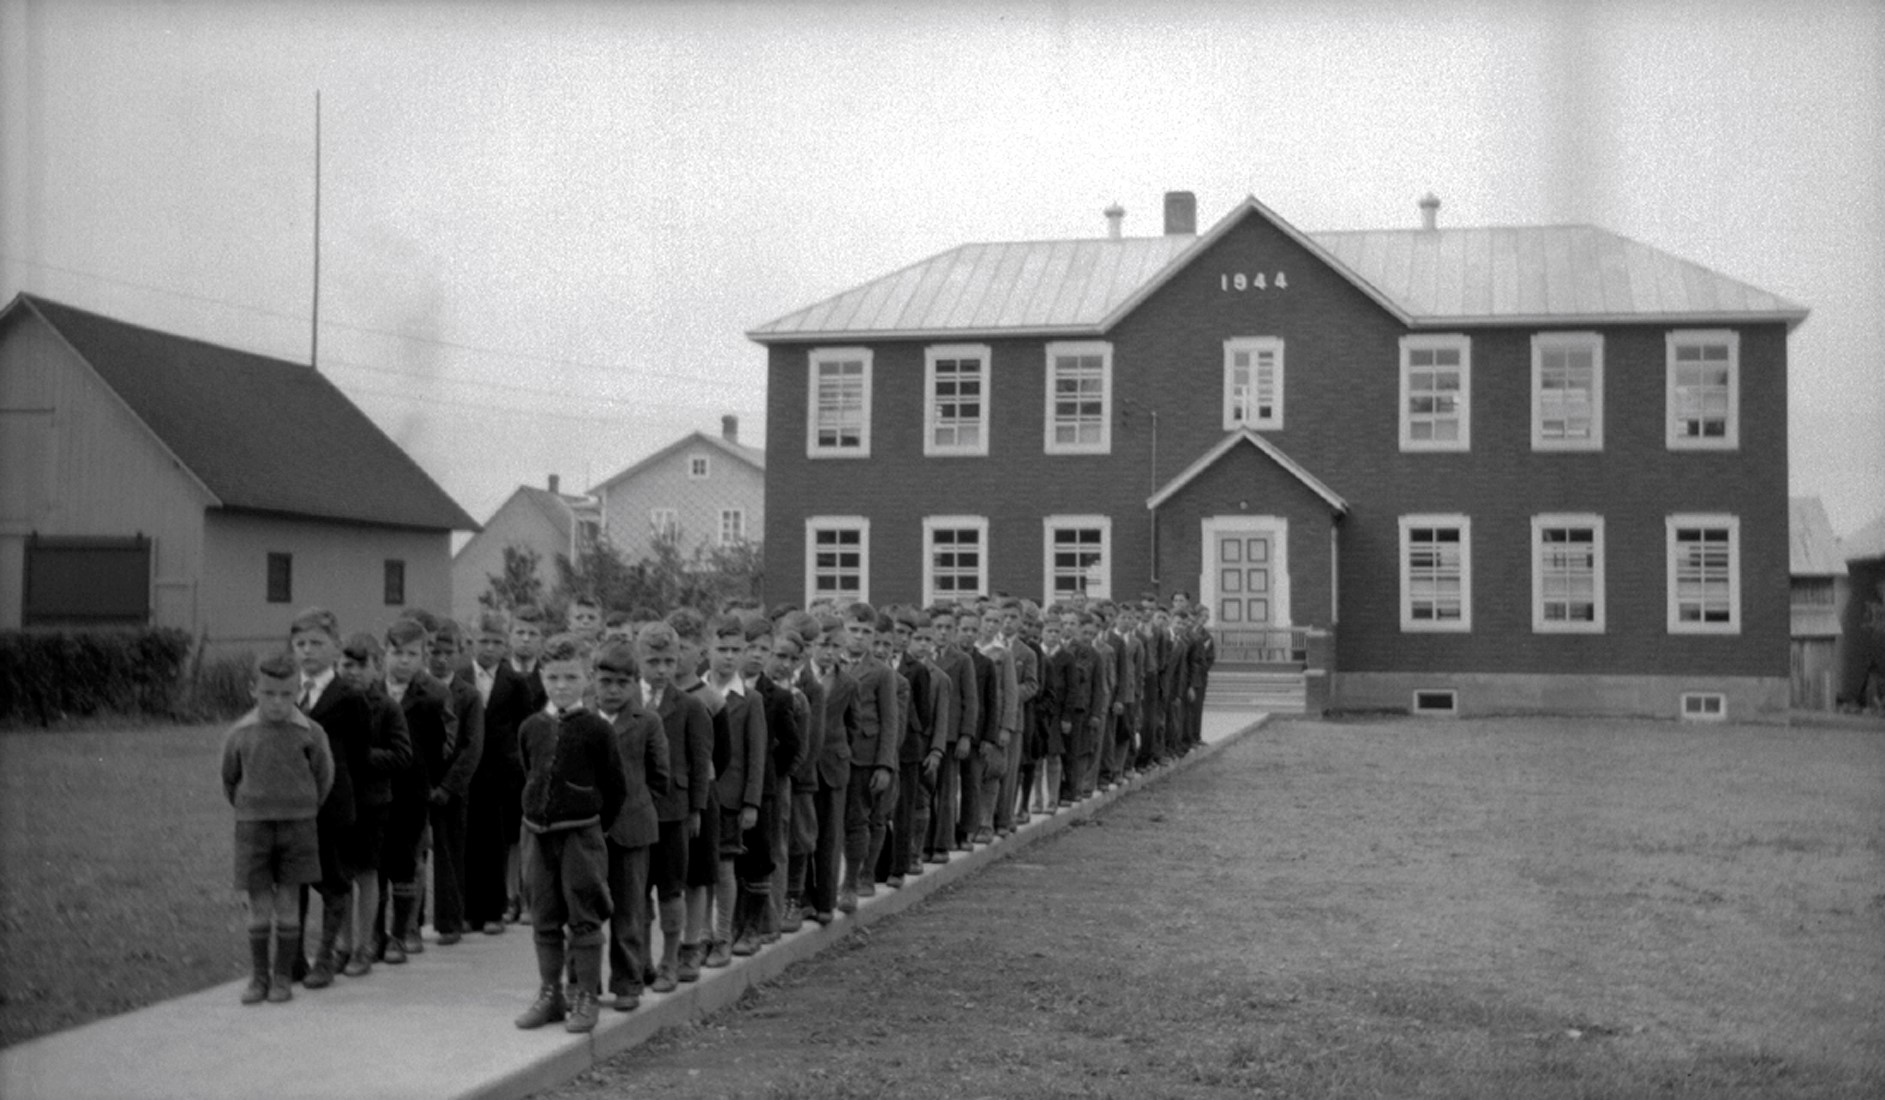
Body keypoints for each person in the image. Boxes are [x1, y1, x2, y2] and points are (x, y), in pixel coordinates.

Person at [513, 634, 626, 1035]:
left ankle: (585, 994)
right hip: (537, 836)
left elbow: (615, 788)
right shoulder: (531, 727)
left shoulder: (597, 729)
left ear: (588, 679)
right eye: (554, 677)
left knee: (584, 915)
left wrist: (591, 826)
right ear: (543, 677)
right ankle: (550, 993)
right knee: (543, 915)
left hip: (581, 837)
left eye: (571, 677)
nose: (561, 686)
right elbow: (529, 773)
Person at [223, 652, 334, 1004]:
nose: (278, 702)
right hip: (253, 827)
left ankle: (283, 977)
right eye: (269, 694)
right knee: (259, 904)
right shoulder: (240, 733)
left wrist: (302, 807)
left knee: (288, 900)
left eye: (287, 694)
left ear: (298, 691)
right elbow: (230, 779)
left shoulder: (310, 732)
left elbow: (324, 777)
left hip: (298, 827)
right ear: (253, 690)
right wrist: (252, 807)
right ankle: (259, 977)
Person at [289, 607, 376, 990]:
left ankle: (326, 956)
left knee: (333, 881)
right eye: (300, 644)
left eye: (317, 644)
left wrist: (350, 804)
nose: (308, 651)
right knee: (294, 879)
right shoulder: (284, 692)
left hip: (333, 805)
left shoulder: (349, 697)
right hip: (291, 805)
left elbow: (359, 757)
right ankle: (294, 959)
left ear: (335, 647)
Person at [593, 640, 670, 1012]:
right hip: (587, 830)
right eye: (605, 681)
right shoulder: (580, 718)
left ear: (635, 684)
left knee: (630, 911)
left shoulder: (647, 722)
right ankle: (584, 983)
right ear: (593, 680)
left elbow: (659, 776)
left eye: (622, 683)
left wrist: (635, 806)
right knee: (585, 910)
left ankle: (627, 981)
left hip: (632, 829)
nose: (612, 690)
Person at [638, 621, 712, 993]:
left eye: (669, 660)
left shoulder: (690, 706)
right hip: (633, 814)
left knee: (671, 889)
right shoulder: (626, 704)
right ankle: (641, 960)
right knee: (636, 891)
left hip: (674, 813)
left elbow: (701, 763)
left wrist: (696, 809)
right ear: (639, 661)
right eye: (653, 661)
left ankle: (670, 959)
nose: (662, 669)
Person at [375, 618, 451, 964]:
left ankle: (403, 931)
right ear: (384, 653)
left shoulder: (434, 695)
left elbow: (444, 746)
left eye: (411, 654)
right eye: (396, 652)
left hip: (413, 793)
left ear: (422, 656)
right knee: (374, 863)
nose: (403, 660)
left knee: (409, 862)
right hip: (376, 792)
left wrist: (430, 783)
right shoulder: (369, 692)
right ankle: (374, 932)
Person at [701, 613, 768, 967]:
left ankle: (723, 936)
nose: (728, 656)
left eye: (735, 650)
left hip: (729, 798)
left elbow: (756, 756)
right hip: (697, 796)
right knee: (697, 873)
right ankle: (698, 937)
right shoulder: (694, 692)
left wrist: (751, 802)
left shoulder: (750, 699)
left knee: (725, 868)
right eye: (722, 649)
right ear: (707, 648)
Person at [427, 617, 483, 946]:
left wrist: (449, 786)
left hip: (453, 786)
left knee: (450, 852)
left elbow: (472, 745)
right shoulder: (416, 689)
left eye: (448, 652)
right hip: (418, 782)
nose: (441, 658)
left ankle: (450, 921)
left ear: (459, 653)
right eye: (434, 651)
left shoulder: (468, 696)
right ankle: (408, 925)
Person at [839, 603, 899, 908]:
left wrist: (884, 764)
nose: (859, 637)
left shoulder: (881, 672)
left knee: (857, 820)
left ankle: (853, 881)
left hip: (864, 756)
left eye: (866, 632)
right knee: (829, 823)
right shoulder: (831, 664)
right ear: (843, 630)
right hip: (832, 755)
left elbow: (890, 721)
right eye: (854, 630)